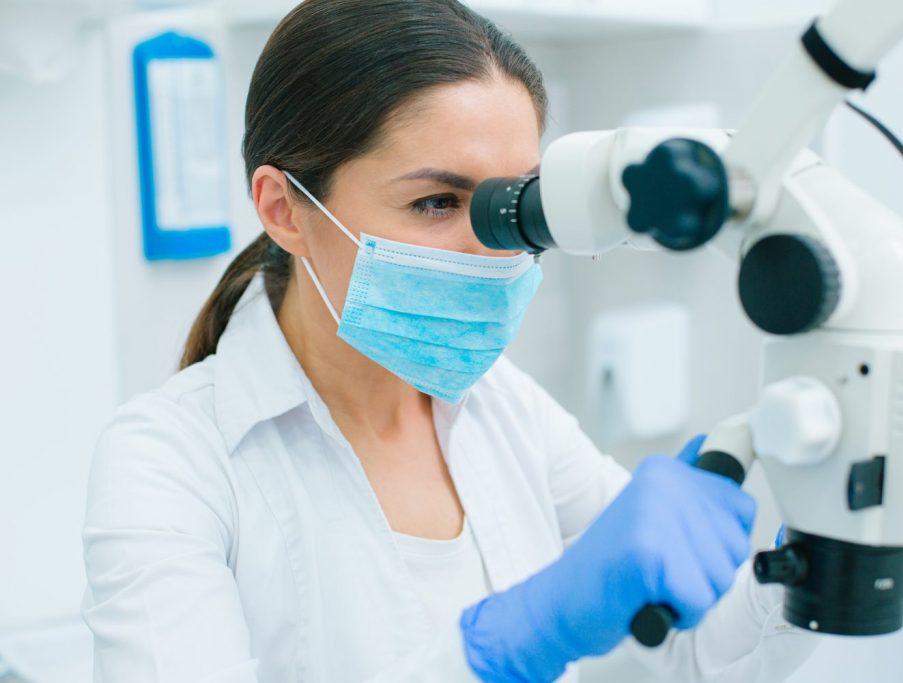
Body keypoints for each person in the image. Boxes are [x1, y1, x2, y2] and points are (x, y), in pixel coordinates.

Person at [81, 1, 817, 680]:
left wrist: (811, 574)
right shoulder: (169, 462)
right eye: (435, 201)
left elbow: (686, 652)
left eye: (513, 207)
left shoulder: (505, 407)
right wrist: (510, 640)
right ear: (284, 210)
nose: (492, 254)